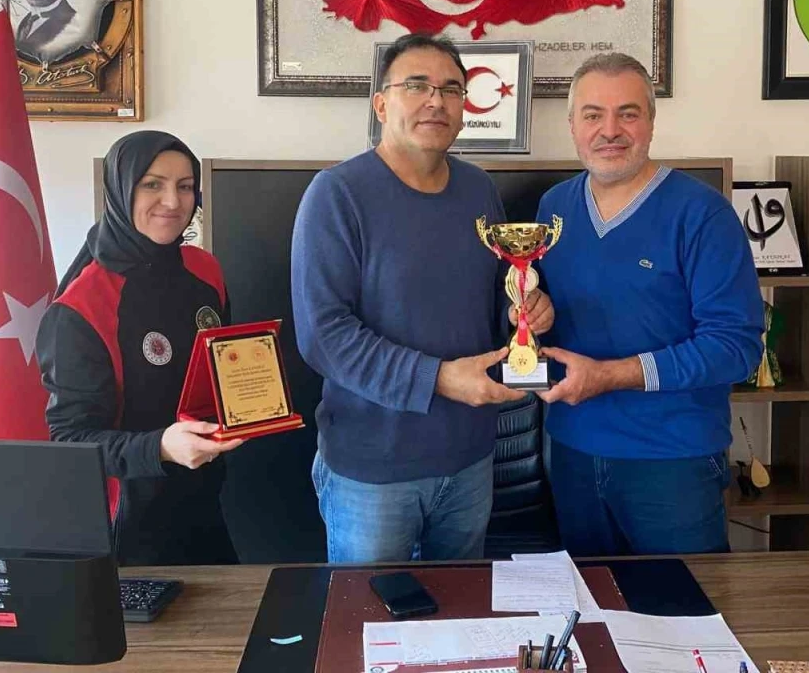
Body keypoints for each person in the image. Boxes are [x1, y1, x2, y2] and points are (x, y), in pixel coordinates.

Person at [291, 33, 551, 564]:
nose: (436, 100)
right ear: (381, 104)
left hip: (470, 462)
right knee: (370, 611)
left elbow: (491, 298)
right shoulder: (336, 194)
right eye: (416, 86)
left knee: (462, 609)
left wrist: (523, 313)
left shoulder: (478, 190)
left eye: (451, 89)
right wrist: (439, 379)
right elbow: (324, 335)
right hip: (373, 472)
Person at [533, 52, 764, 555]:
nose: (609, 130)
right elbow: (550, 311)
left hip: (672, 460)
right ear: (572, 126)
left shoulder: (702, 214)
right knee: (590, 600)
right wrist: (534, 312)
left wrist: (611, 375)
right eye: (593, 115)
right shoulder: (553, 208)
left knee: (684, 602)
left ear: (652, 122)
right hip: (571, 451)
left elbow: (736, 348)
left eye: (628, 113)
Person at [35, 130, 241, 566]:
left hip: (207, 504)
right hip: (127, 527)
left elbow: (223, 368)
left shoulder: (205, 270)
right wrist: (161, 447)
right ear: (120, 189)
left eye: (185, 186)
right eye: (152, 184)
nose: (172, 201)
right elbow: (70, 441)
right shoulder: (82, 306)